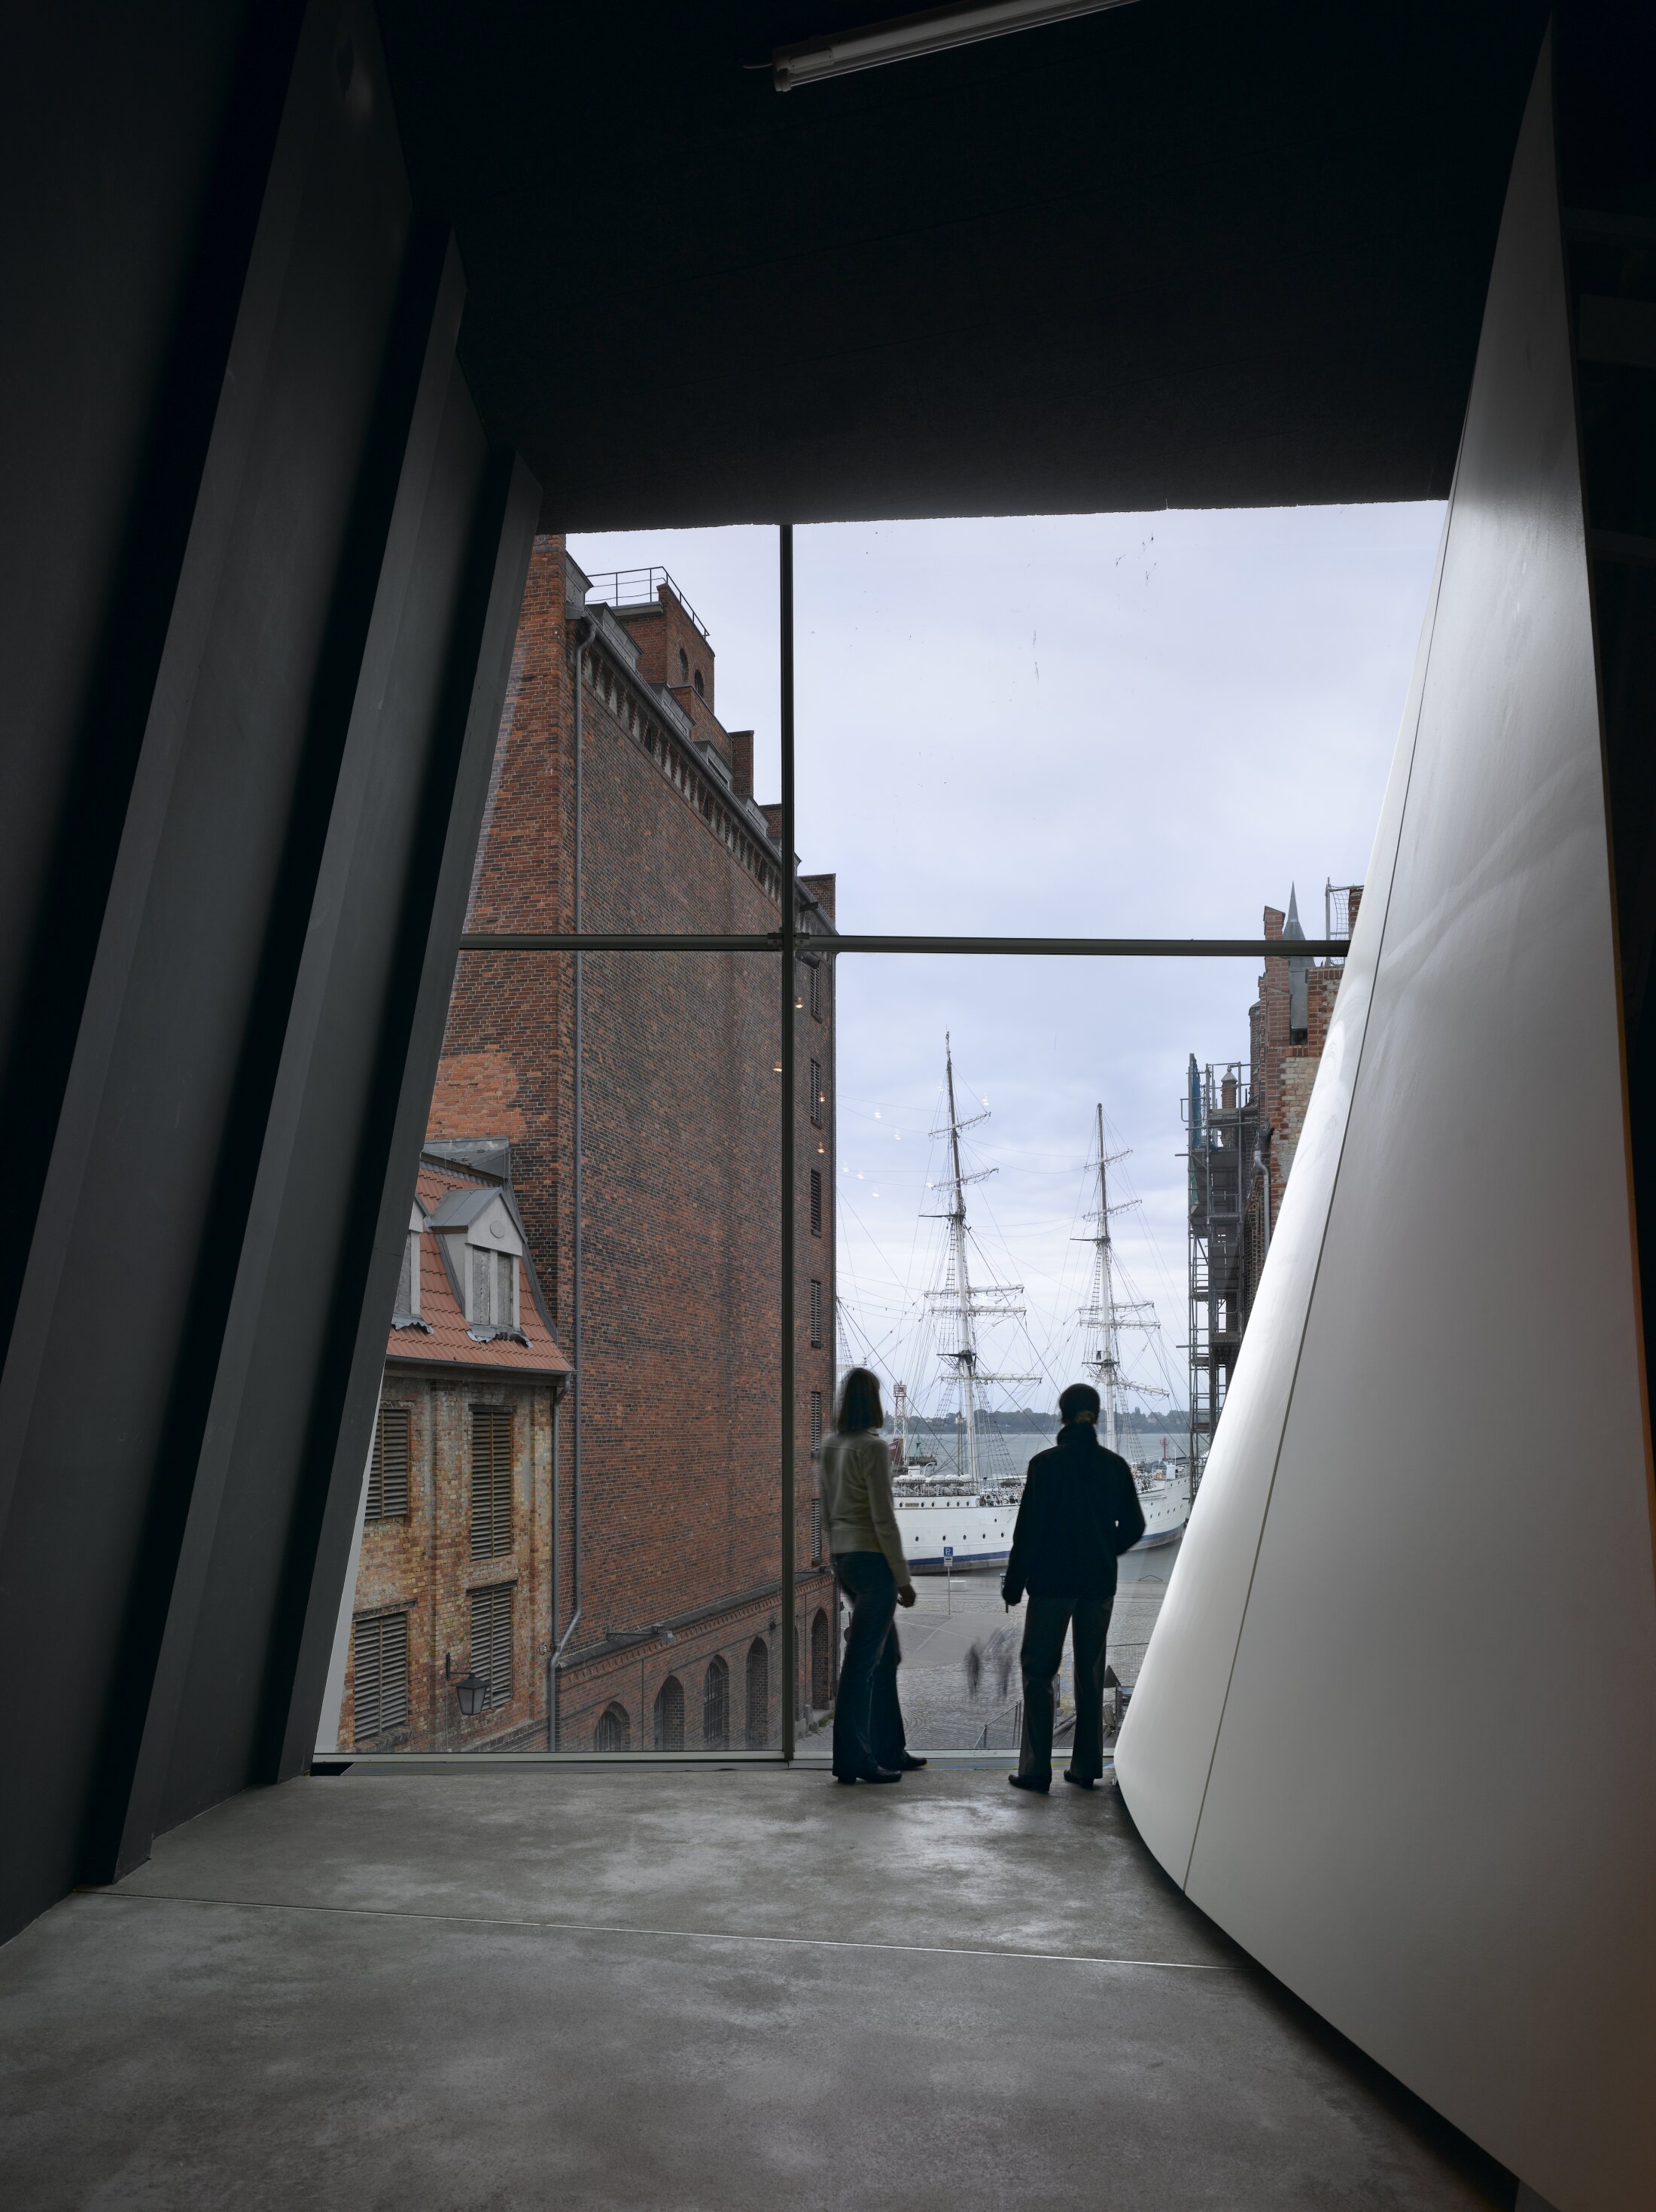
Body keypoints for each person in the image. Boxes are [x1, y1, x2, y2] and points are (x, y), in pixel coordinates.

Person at [1001, 1382, 1146, 1794]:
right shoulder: (1114, 1467)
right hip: (1098, 1583)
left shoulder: (1045, 1465)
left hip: (1051, 1583)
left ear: (1062, 1415)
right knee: (1090, 1671)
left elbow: (1027, 1532)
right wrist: (1104, 1549)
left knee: (1038, 1671)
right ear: (1096, 1416)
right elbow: (1135, 1526)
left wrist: (1014, 1584)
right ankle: (1086, 1767)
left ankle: (1035, 1770)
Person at [818, 1367, 924, 1783]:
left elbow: (825, 1508)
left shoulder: (831, 1446)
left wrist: (836, 1557)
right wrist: (902, 1579)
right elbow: (883, 1518)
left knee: (885, 1657)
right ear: (874, 1403)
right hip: (873, 1562)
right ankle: (854, 1759)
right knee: (862, 1664)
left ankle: (888, 1750)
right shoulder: (873, 1449)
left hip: (845, 1559)